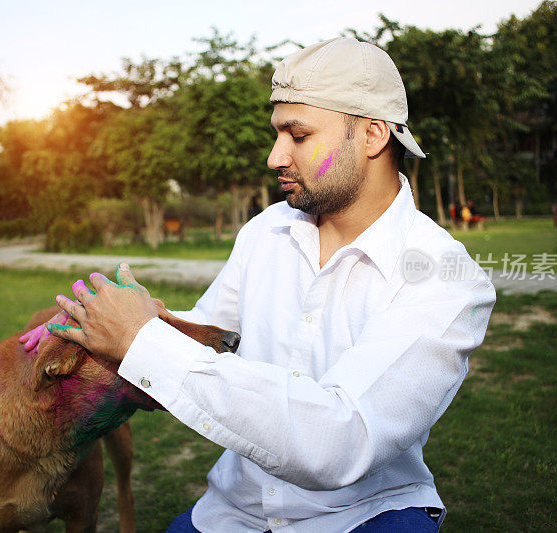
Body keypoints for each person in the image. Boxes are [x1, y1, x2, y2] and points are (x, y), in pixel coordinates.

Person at [28, 37, 496, 532]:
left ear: (374, 134)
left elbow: (342, 440)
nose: (275, 157)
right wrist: (140, 319)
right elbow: (208, 335)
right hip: (234, 512)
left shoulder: (448, 277)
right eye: (277, 135)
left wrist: (141, 340)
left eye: (297, 135)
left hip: (366, 514)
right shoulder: (265, 231)